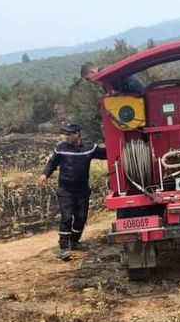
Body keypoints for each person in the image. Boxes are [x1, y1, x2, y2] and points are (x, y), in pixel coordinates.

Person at [37, 124, 107, 261]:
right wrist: (45, 174)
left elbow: (106, 154)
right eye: (65, 134)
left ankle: (74, 242)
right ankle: (63, 246)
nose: (66, 137)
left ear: (77, 134)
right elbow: (52, 164)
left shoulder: (89, 148)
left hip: (82, 190)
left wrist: (108, 138)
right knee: (67, 218)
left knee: (81, 218)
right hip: (65, 190)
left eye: (69, 134)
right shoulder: (61, 149)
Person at [81, 61, 146, 96]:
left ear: (92, 71)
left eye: (88, 79)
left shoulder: (106, 76)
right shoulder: (107, 72)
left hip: (139, 96)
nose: (90, 82)